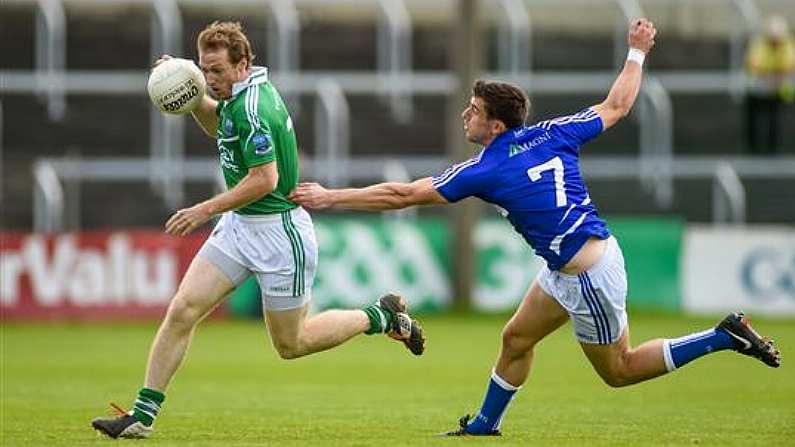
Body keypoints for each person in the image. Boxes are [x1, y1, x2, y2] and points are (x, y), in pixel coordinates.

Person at [290, 18, 781, 437]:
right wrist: (636, 51)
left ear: (496, 126)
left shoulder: (485, 168)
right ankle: (484, 425)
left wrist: (329, 196)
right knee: (515, 339)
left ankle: (723, 336)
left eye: (475, 111)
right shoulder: (552, 132)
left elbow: (402, 195)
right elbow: (618, 107)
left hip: (586, 276)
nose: (466, 114)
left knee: (620, 370)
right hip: (569, 264)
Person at [91, 21, 424, 440]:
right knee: (183, 309)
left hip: (279, 234)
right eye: (203, 70)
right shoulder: (237, 95)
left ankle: (379, 315)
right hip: (240, 227)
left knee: (292, 344)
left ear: (243, 64)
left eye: (216, 71)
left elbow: (264, 179)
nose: (210, 78)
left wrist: (203, 209)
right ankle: (141, 416)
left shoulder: (253, 107)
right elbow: (221, 127)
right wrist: (193, 97)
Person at [745, 15, 795, 154]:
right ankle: (752, 148)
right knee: (753, 117)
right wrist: (774, 73)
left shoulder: (788, 44)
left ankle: (772, 149)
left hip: (778, 89)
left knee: (774, 118)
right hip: (758, 88)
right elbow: (753, 65)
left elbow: (789, 66)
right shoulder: (759, 44)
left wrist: (770, 74)